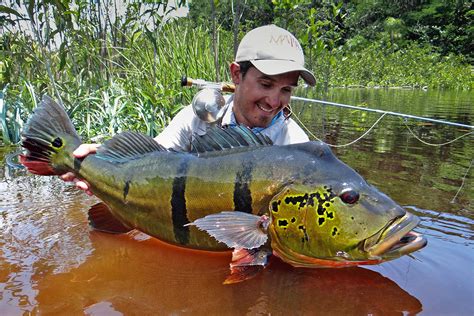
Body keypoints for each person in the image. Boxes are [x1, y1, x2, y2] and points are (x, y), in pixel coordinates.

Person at [61, 24, 316, 194]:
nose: (274, 101)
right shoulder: (197, 119)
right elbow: (152, 161)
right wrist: (103, 159)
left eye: (286, 90)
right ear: (236, 74)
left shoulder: (295, 146)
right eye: (266, 84)